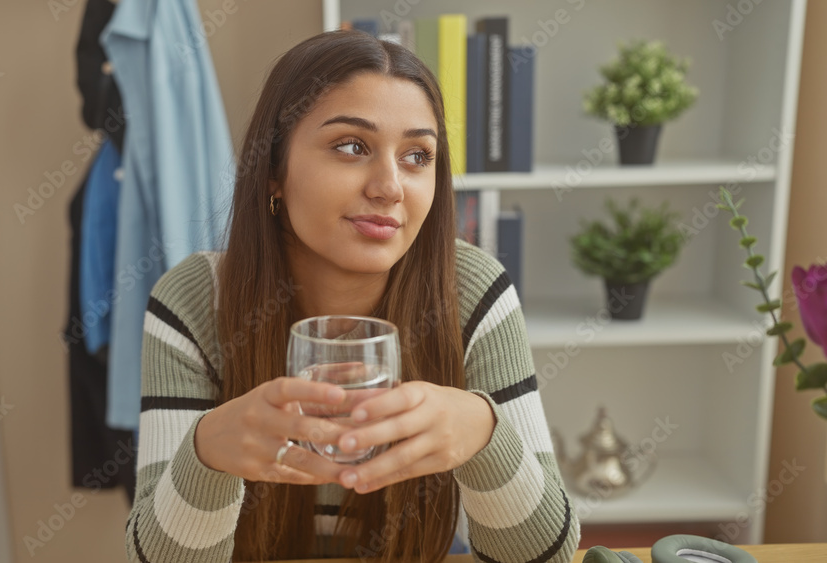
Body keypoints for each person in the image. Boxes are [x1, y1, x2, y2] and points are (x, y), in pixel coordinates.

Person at [125, 30, 580, 562]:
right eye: (351, 146)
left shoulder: (472, 289)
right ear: (273, 169)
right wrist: (207, 454)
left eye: (417, 156)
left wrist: (484, 432)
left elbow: (544, 557)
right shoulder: (195, 301)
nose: (389, 186)